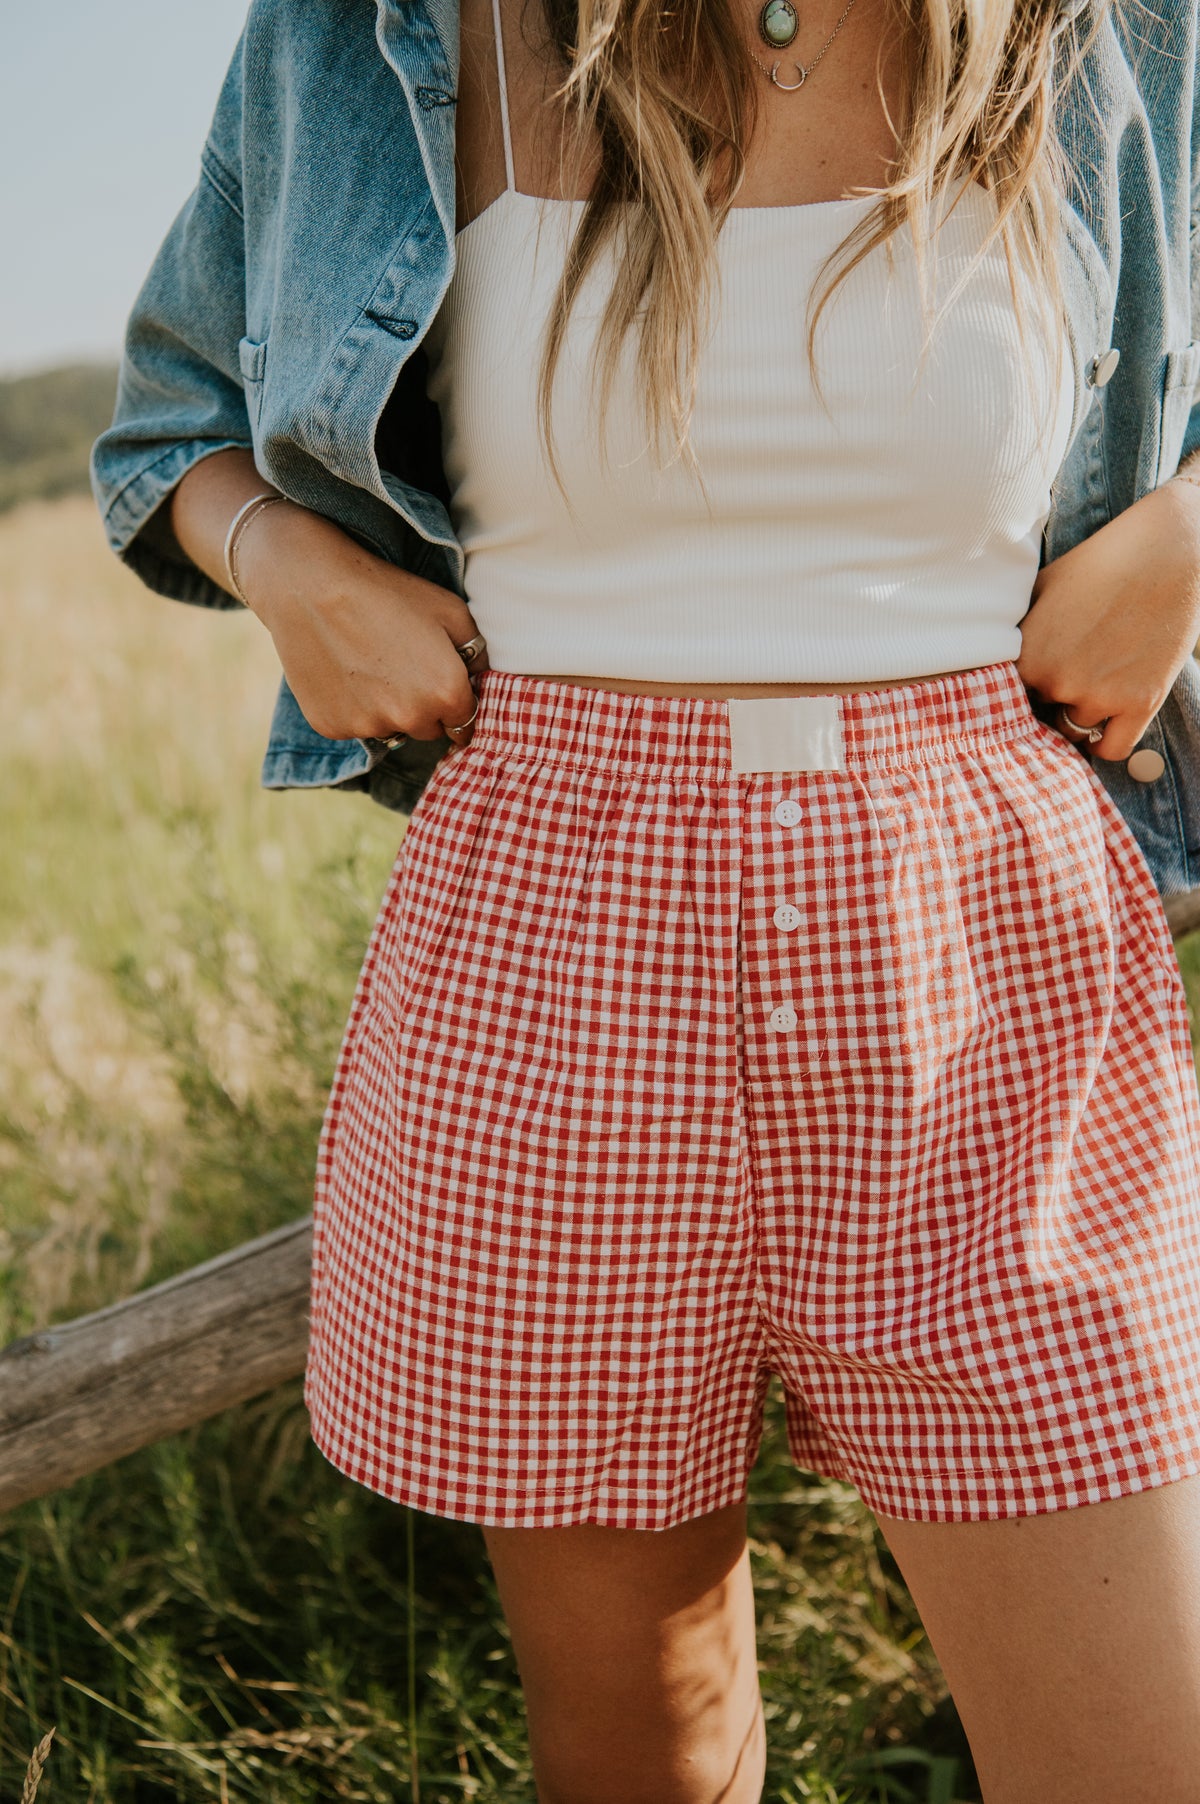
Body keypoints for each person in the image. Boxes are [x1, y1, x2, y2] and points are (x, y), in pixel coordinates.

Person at [91, 0, 1200, 1797]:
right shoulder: (361, 37)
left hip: (985, 948)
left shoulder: (1110, 32)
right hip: (551, 933)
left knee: (1134, 1758)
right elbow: (166, 436)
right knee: (651, 1756)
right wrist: (290, 566)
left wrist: (1190, 535)